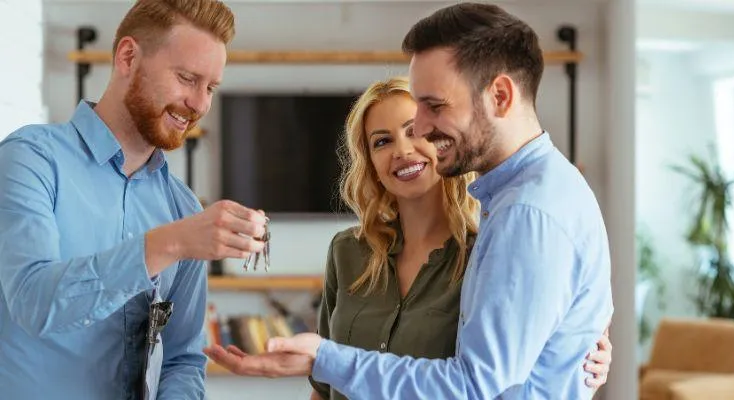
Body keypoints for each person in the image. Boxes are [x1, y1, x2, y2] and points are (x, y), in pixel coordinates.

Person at [206, 3, 614, 399]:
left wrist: (325, 358)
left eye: (434, 106)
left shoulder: (525, 214)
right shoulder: (513, 201)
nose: (419, 130)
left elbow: (472, 386)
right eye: (382, 141)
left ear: (500, 96)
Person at [0, 1, 268, 399]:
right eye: (187, 78)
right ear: (128, 57)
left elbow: (182, 359)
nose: (200, 104)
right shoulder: (31, 158)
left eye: (210, 88)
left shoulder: (184, 209)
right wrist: (168, 244)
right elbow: (34, 302)